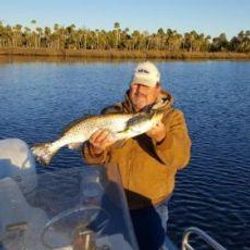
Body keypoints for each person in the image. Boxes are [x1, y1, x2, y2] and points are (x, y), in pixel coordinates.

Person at [82, 61, 191, 250]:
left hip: (150, 206)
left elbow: (181, 159)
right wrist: (96, 150)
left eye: (145, 85)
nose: (139, 89)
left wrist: (162, 137)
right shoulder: (111, 113)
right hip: (113, 200)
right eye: (135, 83)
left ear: (158, 89)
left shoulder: (173, 117)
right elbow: (93, 160)